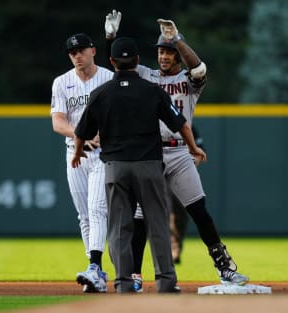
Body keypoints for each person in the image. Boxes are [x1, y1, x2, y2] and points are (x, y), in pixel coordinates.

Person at [104, 11, 250, 290]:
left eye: (169, 52)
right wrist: (110, 37)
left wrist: (178, 40)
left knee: (199, 211)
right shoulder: (145, 75)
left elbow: (199, 70)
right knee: (139, 217)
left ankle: (225, 268)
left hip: (181, 153)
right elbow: (120, 66)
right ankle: (134, 275)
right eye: (161, 51)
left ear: (177, 55)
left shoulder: (188, 79)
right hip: (149, 154)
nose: (163, 56)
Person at [71, 36, 206, 293]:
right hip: (148, 165)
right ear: (137, 61)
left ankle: (123, 283)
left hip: (115, 167)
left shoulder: (102, 93)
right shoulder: (152, 90)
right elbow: (180, 123)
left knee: (120, 227)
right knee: (156, 223)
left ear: (112, 62)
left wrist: (77, 153)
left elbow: (81, 131)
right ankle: (166, 281)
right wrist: (193, 147)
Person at [50, 33, 112, 293]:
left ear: (93, 51)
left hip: (103, 153)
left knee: (97, 208)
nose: (77, 55)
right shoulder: (62, 82)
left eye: (81, 50)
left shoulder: (108, 78)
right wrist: (80, 136)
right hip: (74, 153)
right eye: (72, 52)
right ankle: (94, 271)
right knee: (84, 215)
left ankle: (95, 267)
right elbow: (58, 122)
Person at [170, 125, 205, 264]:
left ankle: (175, 249)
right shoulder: (156, 120)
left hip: (180, 174)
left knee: (178, 215)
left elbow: (198, 154)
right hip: (158, 171)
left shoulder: (188, 126)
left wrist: (186, 166)